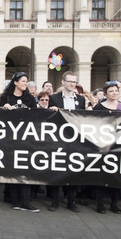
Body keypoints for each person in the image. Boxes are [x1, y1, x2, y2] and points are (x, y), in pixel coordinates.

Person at [0, 72, 39, 213]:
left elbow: (36, 116)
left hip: (26, 139)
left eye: (26, 81)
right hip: (10, 139)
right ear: (15, 82)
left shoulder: (30, 99)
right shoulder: (6, 97)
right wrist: (4, 109)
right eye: (23, 81)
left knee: (26, 171)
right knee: (13, 170)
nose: (25, 83)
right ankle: (15, 200)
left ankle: (25, 201)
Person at [91, 82, 121, 214]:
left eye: (116, 91)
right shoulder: (99, 107)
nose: (114, 93)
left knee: (116, 176)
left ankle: (114, 203)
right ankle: (100, 203)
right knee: (101, 176)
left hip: (118, 147)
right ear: (105, 93)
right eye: (111, 91)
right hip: (102, 145)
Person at [47, 72, 87, 212]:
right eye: (70, 81)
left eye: (74, 82)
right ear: (63, 82)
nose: (72, 84)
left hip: (75, 141)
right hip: (58, 140)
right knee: (56, 171)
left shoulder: (81, 100)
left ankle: (71, 201)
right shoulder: (54, 98)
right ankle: (54, 201)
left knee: (73, 172)